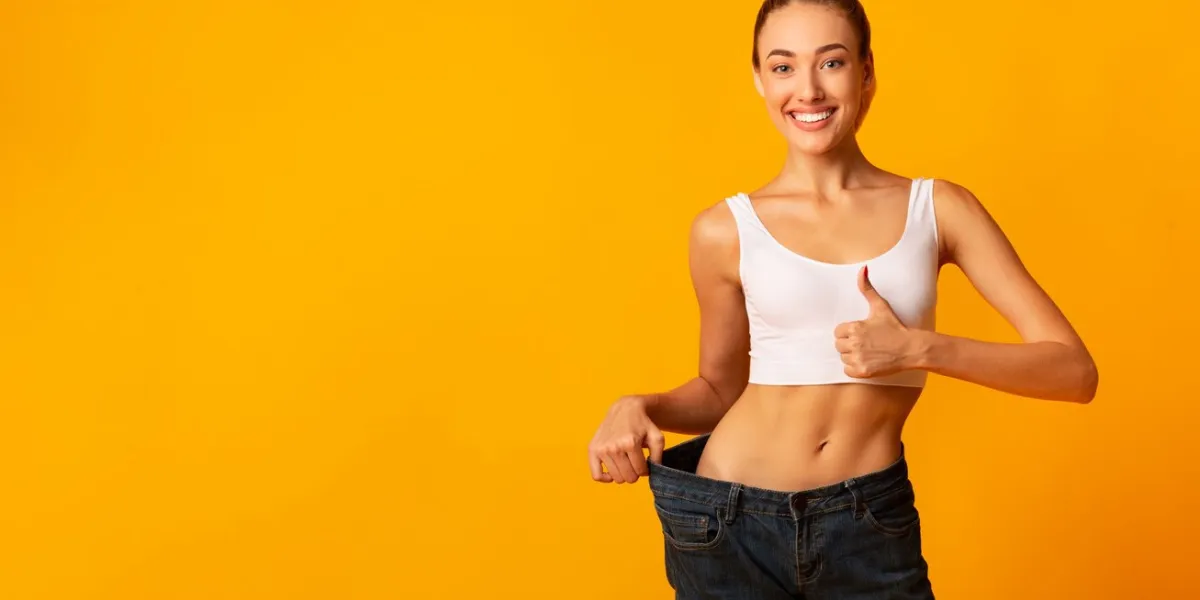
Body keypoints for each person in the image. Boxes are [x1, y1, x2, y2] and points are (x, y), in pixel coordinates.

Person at [586, 0, 1098, 598]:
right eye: (782, 67)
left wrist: (919, 349)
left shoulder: (939, 209)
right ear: (758, 78)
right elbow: (721, 392)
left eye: (830, 62)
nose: (807, 90)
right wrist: (638, 405)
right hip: (726, 520)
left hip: (866, 522)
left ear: (866, 72)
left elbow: (1074, 372)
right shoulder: (723, 230)